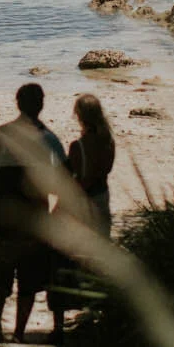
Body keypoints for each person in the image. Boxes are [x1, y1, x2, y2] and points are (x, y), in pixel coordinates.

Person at [0, 82, 69, 343]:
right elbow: (64, 182)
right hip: (36, 219)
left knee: (1, 276)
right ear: (41, 104)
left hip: (5, 216)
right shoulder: (49, 139)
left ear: (17, 103)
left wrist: (9, 180)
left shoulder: (1, 135)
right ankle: (18, 333)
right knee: (29, 281)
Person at [67, 94, 116, 239]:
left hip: (83, 198)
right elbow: (105, 169)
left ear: (79, 116)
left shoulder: (78, 146)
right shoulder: (108, 141)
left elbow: (74, 176)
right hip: (102, 194)